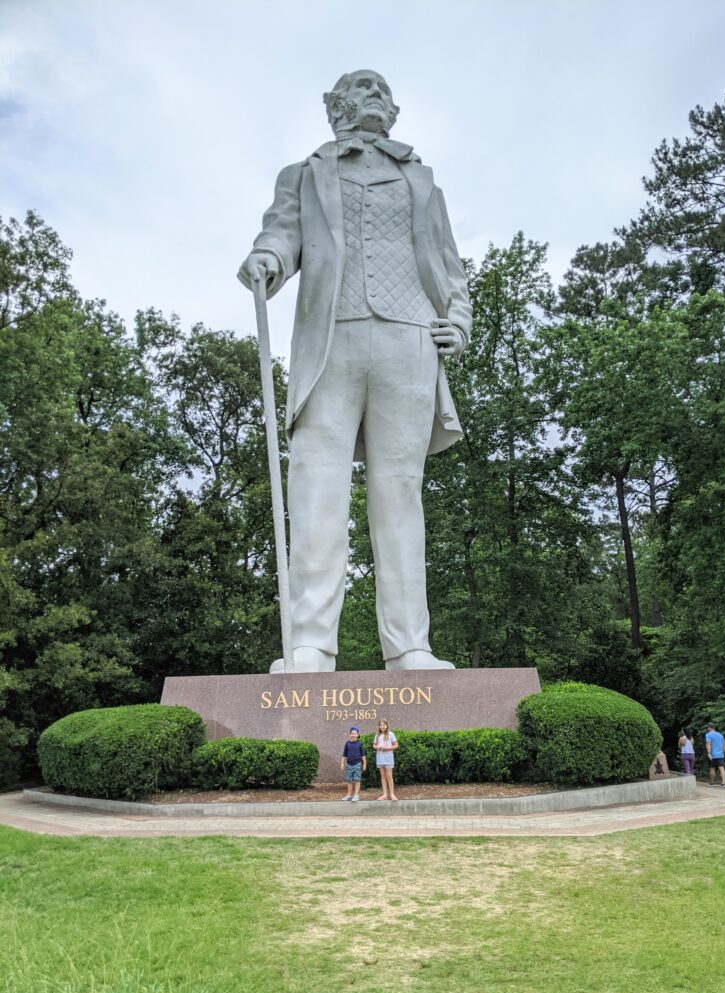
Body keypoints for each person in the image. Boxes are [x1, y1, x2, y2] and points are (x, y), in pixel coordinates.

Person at [238, 69, 472, 674]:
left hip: (410, 339)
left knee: (400, 494)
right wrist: (268, 256)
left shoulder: (423, 182)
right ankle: (310, 643)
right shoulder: (305, 173)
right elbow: (281, 233)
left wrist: (460, 320)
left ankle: (410, 646)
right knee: (316, 489)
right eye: (360, 87)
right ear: (337, 106)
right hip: (330, 342)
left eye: (381, 88)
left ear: (392, 109)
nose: (373, 94)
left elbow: (448, 265)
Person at [373, 719, 398, 801]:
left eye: (384, 725)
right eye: (381, 725)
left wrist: (387, 748)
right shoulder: (377, 735)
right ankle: (384, 794)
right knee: (383, 776)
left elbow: (396, 745)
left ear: (387, 726)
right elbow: (374, 746)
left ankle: (392, 794)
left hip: (388, 758)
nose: (382, 726)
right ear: (379, 726)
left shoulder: (391, 734)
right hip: (380, 758)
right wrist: (378, 747)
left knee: (389, 776)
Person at [340, 725, 367, 802]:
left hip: (357, 764)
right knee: (349, 780)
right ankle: (349, 795)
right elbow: (344, 754)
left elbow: (363, 755)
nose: (353, 735)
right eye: (352, 733)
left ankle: (356, 795)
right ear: (350, 734)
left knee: (357, 779)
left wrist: (364, 764)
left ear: (358, 735)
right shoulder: (347, 743)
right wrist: (342, 763)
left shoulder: (360, 744)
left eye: (355, 733)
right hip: (349, 765)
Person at [705, 722, 725, 787]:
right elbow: (724, 745)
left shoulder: (708, 735)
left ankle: (712, 783)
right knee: (721, 768)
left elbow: (708, 744)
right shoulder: (721, 735)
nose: (707, 729)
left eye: (707, 727)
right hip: (721, 755)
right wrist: (723, 753)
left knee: (712, 768)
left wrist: (709, 753)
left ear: (709, 728)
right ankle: (723, 783)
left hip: (712, 755)